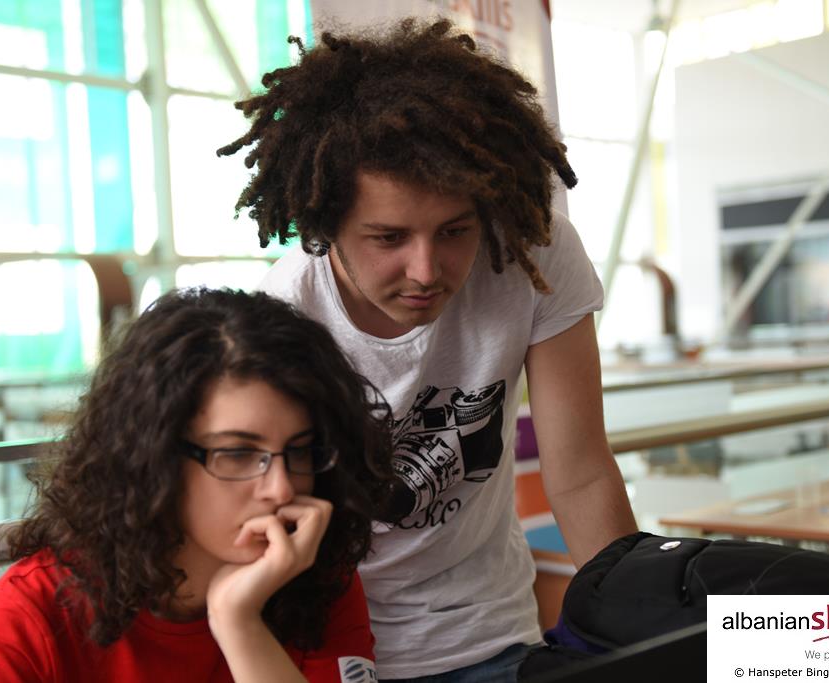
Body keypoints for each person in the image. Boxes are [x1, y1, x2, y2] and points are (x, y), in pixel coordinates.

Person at [217, 18, 637, 682]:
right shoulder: (286, 314)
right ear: (326, 224)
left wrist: (641, 633)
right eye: (388, 238)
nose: (425, 270)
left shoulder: (533, 252)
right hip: (339, 644)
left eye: (454, 230)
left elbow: (581, 473)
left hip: (494, 633)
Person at [0, 288, 393, 683]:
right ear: (155, 457)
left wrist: (238, 622)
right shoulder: (30, 616)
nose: (280, 489)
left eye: (300, 451)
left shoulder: (312, 573)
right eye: (237, 453)